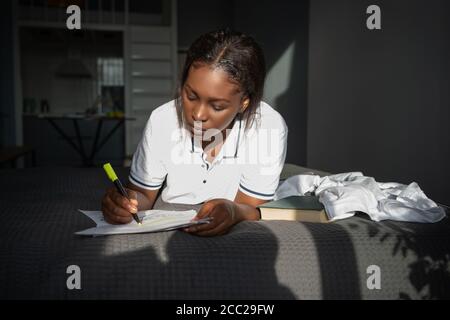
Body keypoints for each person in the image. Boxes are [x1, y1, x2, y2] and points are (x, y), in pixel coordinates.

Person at [101, 29, 288, 236]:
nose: (197, 114)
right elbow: (144, 196)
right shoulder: (163, 120)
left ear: (244, 103)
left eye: (217, 106)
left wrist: (234, 211)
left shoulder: (267, 128)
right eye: (191, 96)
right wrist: (125, 203)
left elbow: (252, 207)